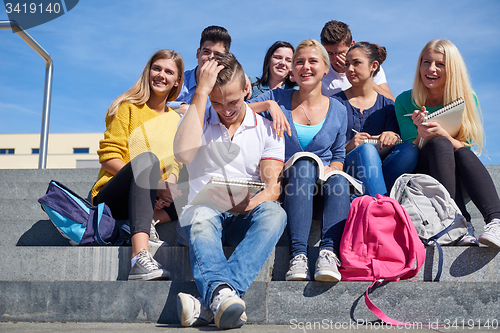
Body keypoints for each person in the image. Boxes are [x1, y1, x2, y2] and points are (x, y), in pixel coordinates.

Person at [174, 53, 286, 329]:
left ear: (247, 88)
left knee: (275, 214)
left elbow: (272, 188)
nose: (225, 110)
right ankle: (223, 296)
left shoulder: (269, 129)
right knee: (200, 215)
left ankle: (213, 298)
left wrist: (247, 205)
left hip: (243, 214)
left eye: (234, 102)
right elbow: (184, 154)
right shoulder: (198, 116)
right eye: (217, 102)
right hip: (201, 215)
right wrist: (201, 91)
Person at [249, 39, 350, 282]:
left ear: (325, 68)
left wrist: (333, 168)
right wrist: (269, 103)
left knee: (340, 178)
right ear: (293, 71)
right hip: (287, 183)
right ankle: (299, 256)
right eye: (299, 62)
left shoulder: (338, 109)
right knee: (303, 165)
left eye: (313, 61)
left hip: (323, 187)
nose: (306, 66)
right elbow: (233, 112)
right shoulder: (277, 97)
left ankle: (328, 252)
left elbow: (338, 155)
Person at [395, 39, 500, 247]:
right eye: (426, 62)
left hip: (457, 168)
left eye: (440, 64)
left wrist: (443, 133)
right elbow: (410, 151)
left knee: (451, 146)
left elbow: (466, 145)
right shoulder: (404, 100)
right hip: (423, 172)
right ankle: (460, 223)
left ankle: (495, 220)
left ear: (451, 68)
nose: (431, 69)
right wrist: (420, 132)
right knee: (440, 144)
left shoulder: (468, 97)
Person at [91, 49, 184, 280]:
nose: (161, 75)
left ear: (177, 81)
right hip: (114, 196)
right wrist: (154, 180)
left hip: (154, 196)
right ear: (148, 71)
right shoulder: (127, 107)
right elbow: (109, 156)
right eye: (157, 68)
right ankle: (139, 257)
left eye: (169, 72)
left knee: (198, 184)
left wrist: (168, 184)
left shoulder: (175, 119)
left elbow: (176, 163)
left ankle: (149, 218)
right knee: (147, 160)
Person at [334, 42, 419, 196]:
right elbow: (325, 147)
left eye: (356, 63)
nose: (350, 69)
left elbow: (398, 140)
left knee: (410, 150)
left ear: (373, 66)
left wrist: (393, 136)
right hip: (348, 168)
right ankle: (381, 206)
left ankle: (367, 197)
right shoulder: (334, 103)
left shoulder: (387, 105)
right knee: (366, 150)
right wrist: (349, 146)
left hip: (381, 167)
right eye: (347, 64)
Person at [320, 20, 394, 100]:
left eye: (341, 53)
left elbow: (391, 101)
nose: (335, 59)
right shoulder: (320, 72)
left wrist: (365, 79)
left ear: (352, 45)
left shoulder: (369, 67)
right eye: (330, 53)